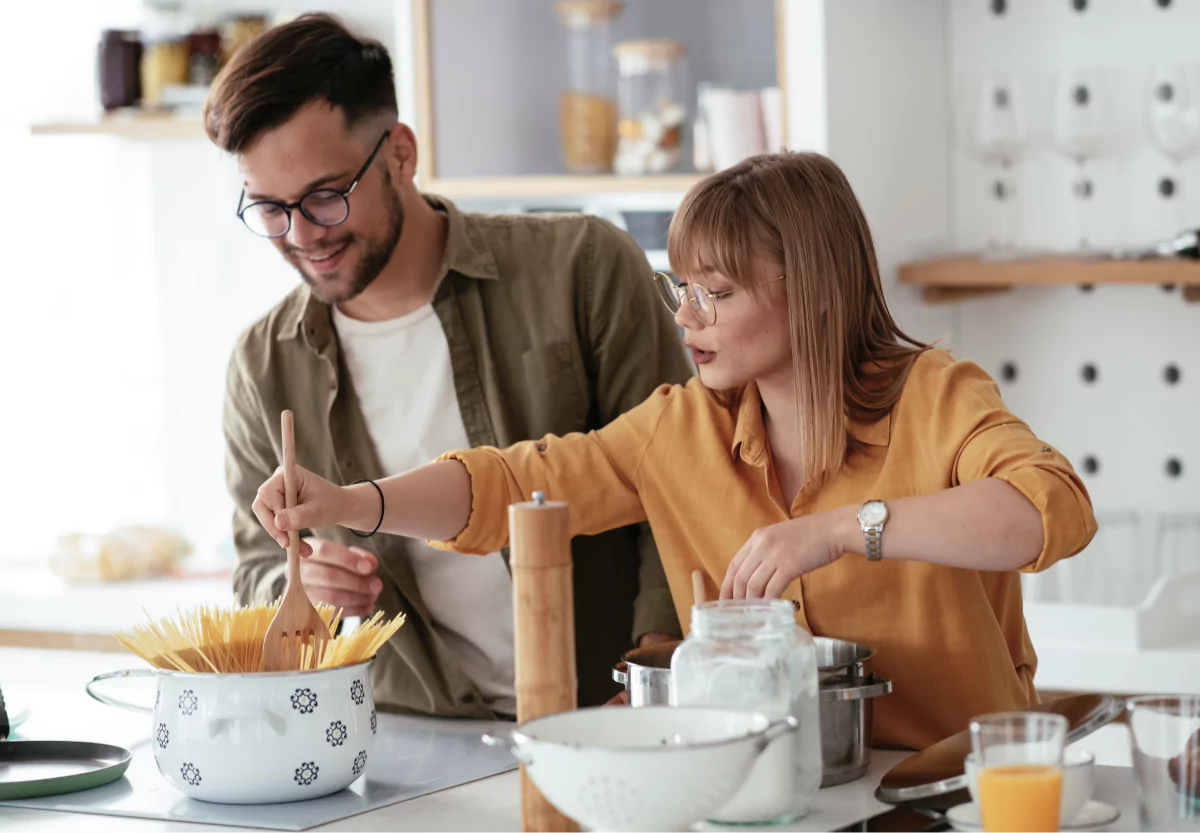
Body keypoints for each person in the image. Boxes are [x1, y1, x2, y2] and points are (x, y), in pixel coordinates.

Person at [249, 151, 1098, 750]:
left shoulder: (938, 396)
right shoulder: (680, 426)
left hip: (955, 798)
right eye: (680, 288)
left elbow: (1046, 511)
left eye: (716, 293)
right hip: (762, 800)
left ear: (812, 290)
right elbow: (515, 481)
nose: (685, 318)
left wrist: (843, 528)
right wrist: (351, 501)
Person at [206, 14, 691, 717]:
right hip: (412, 744)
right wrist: (300, 583)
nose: (302, 234)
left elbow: (674, 483)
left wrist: (654, 675)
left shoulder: (581, 267)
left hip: (611, 721)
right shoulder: (262, 365)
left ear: (399, 153)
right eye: (270, 209)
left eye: (323, 196)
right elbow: (254, 568)